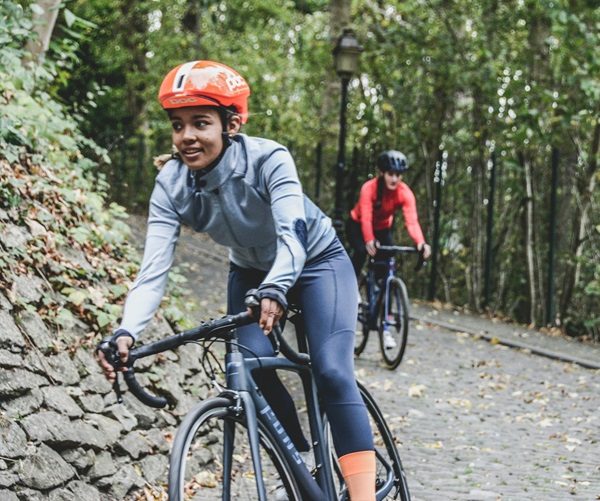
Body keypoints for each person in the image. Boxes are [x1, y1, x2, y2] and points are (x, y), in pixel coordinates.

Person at [96, 60, 376, 500]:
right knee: (248, 364)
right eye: (177, 125)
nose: (186, 136)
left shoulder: (268, 158)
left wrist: (278, 287)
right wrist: (128, 329)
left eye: (200, 123)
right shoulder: (171, 184)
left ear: (231, 124)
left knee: (332, 370)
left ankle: (362, 494)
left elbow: (293, 236)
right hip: (249, 270)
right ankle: (299, 465)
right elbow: (152, 271)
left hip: (317, 260)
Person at [346, 149, 432, 278]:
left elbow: (412, 221)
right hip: (357, 225)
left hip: (382, 228)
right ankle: (350, 285)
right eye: (390, 174)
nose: (394, 179)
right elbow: (366, 217)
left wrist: (420, 242)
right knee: (361, 251)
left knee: (386, 259)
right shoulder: (369, 188)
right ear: (382, 173)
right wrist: (369, 239)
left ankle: (380, 290)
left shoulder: (404, 193)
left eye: (398, 175)